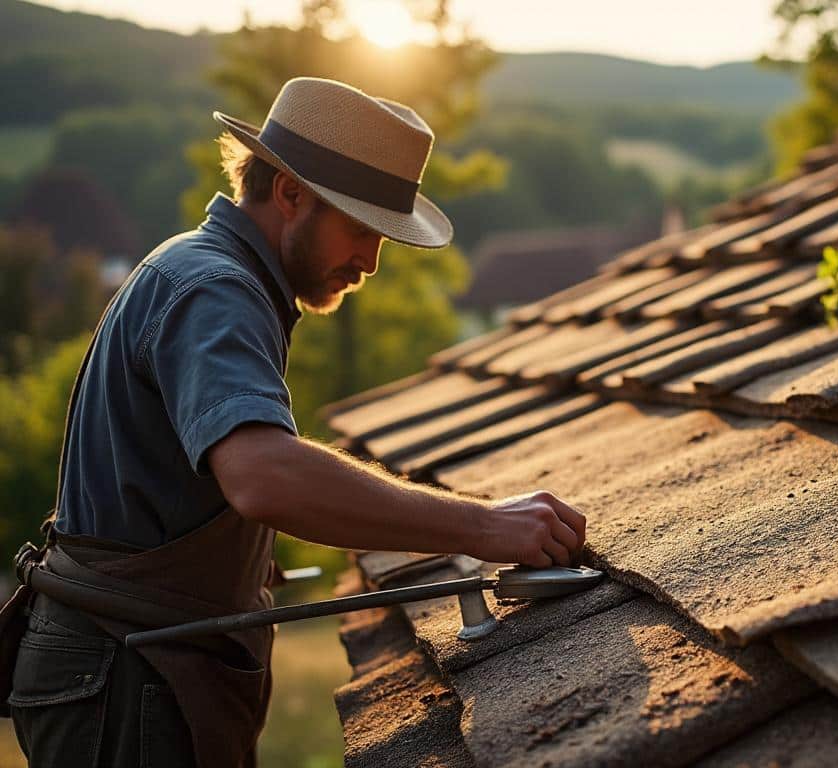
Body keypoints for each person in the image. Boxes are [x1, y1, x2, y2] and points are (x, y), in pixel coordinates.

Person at [0, 77, 586, 768]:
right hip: (125, 677)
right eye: (361, 230)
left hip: (132, 667)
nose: (370, 262)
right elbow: (264, 475)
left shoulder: (211, 274)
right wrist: (485, 525)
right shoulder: (215, 288)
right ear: (289, 194)